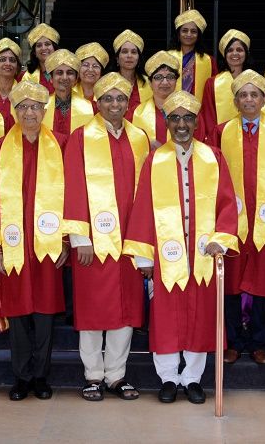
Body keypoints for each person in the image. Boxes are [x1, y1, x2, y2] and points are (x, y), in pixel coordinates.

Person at [123, 90, 239, 404]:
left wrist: (221, 238)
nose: (182, 124)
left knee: (200, 314)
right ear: (167, 122)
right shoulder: (154, 160)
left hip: (202, 253)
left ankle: (192, 379)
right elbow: (143, 208)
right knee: (166, 315)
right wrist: (144, 255)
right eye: (175, 118)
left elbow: (227, 203)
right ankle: (169, 378)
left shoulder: (212, 157)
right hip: (166, 254)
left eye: (187, 117)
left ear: (197, 121)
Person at [0, 80, 69, 402]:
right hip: (13, 243)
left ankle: (41, 376)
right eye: (23, 106)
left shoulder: (62, 145)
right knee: (20, 312)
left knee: (45, 313)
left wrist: (64, 239)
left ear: (44, 110)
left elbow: (72, 196)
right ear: (15, 110)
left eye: (35, 106)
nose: (29, 112)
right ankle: (22, 376)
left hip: (47, 243)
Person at [64, 72, 150, 402]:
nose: (115, 104)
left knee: (126, 310)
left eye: (120, 98)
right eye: (108, 98)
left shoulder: (140, 138)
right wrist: (79, 238)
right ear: (97, 103)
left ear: (128, 103)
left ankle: (116, 374)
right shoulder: (81, 137)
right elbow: (71, 187)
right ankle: (92, 375)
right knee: (92, 309)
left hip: (129, 240)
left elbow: (147, 195)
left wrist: (144, 246)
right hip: (92, 243)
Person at [211, 70, 265, 365]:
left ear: (264, 99)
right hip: (232, 222)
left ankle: (259, 343)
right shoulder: (221, 132)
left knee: (263, 284)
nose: (249, 99)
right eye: (243, 95)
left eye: (255, 94)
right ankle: (234, 341)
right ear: (235, 101)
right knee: (231, 284)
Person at [197, 29, 252, 140]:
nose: (235, 53)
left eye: (239, 50)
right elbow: (208, 115)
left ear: (246, 53)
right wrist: (215, 138)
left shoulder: (255, 81)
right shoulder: (212, 83)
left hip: (250, 138)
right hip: (220, 140)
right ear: (224, 54)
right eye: (230, 50)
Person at [132, 51, 180, 148]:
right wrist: (145, 144)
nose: (165, 82)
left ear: (176, 81)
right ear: (150, 82)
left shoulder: (189, 113)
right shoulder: (135, 113)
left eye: (170, 77)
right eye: (158, 77)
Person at [42, 48, 95, 136]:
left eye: (69, 73)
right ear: (51, 78)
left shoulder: (91, 107)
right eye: (59, 73)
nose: (65, 77)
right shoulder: (40, 108)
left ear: (76, 79)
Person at [169, 9, 217, 102]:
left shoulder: (209, 61)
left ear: (198, 36)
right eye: (185, 30)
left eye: (193, 31)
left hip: (198, 112)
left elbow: (213, 90)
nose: (189, 34)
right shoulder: (167, 57)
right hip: (171, 110)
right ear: (178, 34)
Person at [112, 29, 152, 118]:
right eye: (124, 51)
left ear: (138, 58)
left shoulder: (149, 84)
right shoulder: (107, 83)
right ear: (117, 58)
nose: (129, 56)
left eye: (134, 52)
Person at [0, 37, 23, 128]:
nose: (8, 63)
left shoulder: (25, 93)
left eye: (12, 60)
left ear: (17, 67)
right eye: (2, 60)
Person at [22, 23, 60, 93]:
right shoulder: (26, 76)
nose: (43, 48)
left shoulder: (66, 73)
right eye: (39, 45)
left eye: (47, 44)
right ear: (34, 52)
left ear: (54, 48)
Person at [75, 42, 109, 106]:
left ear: (101, 72)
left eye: (95, 66)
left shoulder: (108, 95)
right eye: (85, 65)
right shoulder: (68, 92)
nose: (90, 70)